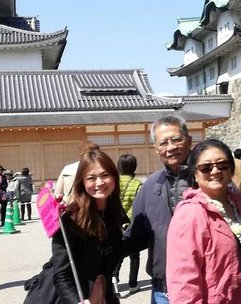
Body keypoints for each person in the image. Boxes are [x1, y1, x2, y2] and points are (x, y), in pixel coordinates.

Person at [24, 150, 126, 304]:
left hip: (102, 291)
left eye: (105, 175)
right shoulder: (71, 218)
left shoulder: (115, 211)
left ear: (114, 177)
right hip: (76, 296)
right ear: (82, 182)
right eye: (91, 178)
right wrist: (74, 300)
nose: (99, 183)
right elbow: (61, 274)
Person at [167, 139, 241, 304]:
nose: (215, 171)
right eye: (206, 167)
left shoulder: (237, 202)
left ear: (231, 168)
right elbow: (184, 282)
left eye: (222, 165)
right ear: (195, 173)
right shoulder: (190, 214)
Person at [124, 114, 192, 304]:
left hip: (207, 283)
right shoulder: (149, 186)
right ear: (156, 149)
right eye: (163, 143)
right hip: (164, 288)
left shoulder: (210, 178)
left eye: (176, 139)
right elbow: (135, 237)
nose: (170, 147)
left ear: (189, 141)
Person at [112, 154, 142, 298]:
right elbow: (138, 206)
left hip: (115, 224)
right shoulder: (137, 184)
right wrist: (128, 219)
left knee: (117, 254)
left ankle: (114, 279)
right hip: (131, 225)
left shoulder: (113, 183)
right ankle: (133, 284)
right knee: (134, 256)